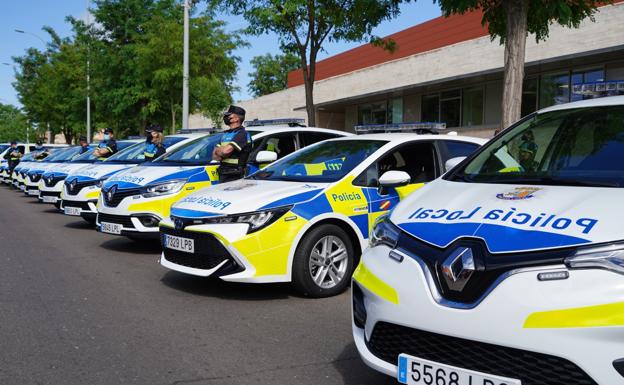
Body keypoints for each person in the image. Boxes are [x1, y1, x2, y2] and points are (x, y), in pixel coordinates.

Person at [212, 105, 252, 183]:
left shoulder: (242, 134)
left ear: (236, 119)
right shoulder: (225, 134)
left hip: (235, 175)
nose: (225, 117)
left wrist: (220, 151)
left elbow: (225, 151)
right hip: (223, 173)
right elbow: (215, 157)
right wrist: (221, 152)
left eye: (228, 116)